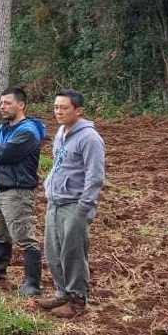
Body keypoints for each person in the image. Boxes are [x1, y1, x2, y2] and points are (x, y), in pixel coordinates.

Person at [37, 89, 105, 318]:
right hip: (55, 202)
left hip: (75, 204)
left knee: (73, 253)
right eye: (56, 107)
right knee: (53, 251)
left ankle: (77, 300)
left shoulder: (90, 138)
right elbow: (58, 164)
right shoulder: (60, 133)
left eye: (64, 108)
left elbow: (95, 176)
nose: (58, 112)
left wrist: (84, 208)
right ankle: (62, 293)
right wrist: (48, 187)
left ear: (78, 110)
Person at [0, 87, 46, 297]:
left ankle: (32, 282)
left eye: (8, 103)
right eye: (1, 103)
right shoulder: (2, 128)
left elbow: (2, 154)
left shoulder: (28, 131)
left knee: (24, 235)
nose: (3, 107)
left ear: (21, 105)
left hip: (17, 190)